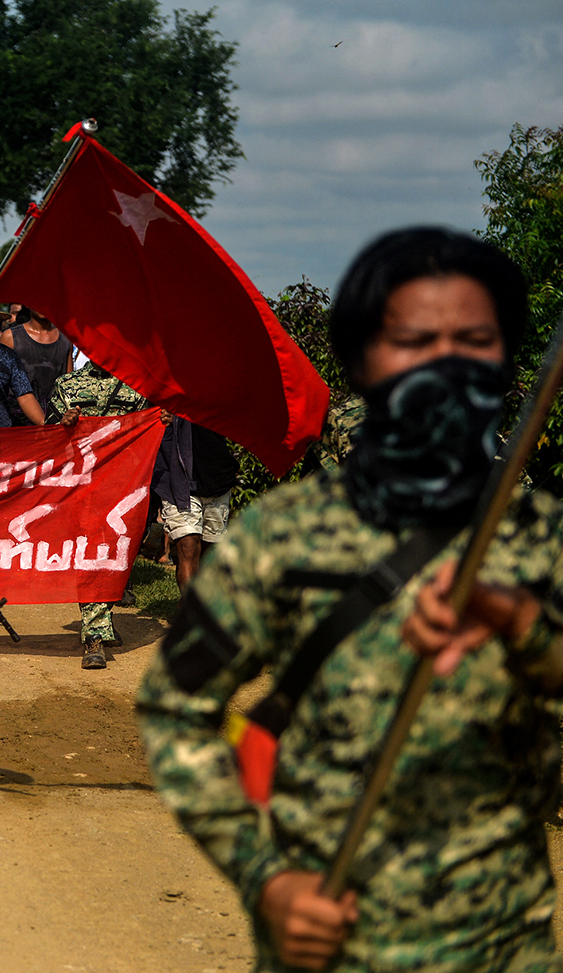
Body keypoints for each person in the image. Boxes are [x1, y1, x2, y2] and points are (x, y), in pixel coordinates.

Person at [138, 227, 561, 972]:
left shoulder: (543, 541)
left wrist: (527, 630)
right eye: (413, 340)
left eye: (474, 338)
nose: (445, 362)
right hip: (331, 943)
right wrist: (266, 880)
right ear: (365, 359)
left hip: (503, 943)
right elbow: (176, 708)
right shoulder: (285, 540)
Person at [50, 359, 157, 668]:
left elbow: (151, 424)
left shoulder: (137, 387)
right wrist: (64, 422)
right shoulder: (67, 386)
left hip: (125, 486)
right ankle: (94, 637)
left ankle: (104, 618)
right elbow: (48, 434)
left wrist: (162, 417)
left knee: (116, 555)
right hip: (84, 487)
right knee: (92, 555)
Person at [153, 419, 238, 593]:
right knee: (188, 546)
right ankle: (190, 612)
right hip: (179, 482)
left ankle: (199, 606)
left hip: (217, 482)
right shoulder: (172, 396)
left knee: (208, 557)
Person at [0, 304, 73, 409]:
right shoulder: (10, 337)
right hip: (17, 415)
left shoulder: (65, 339)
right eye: (39, 300)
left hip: (55, 414)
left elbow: (70, 384)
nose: (44, 306)